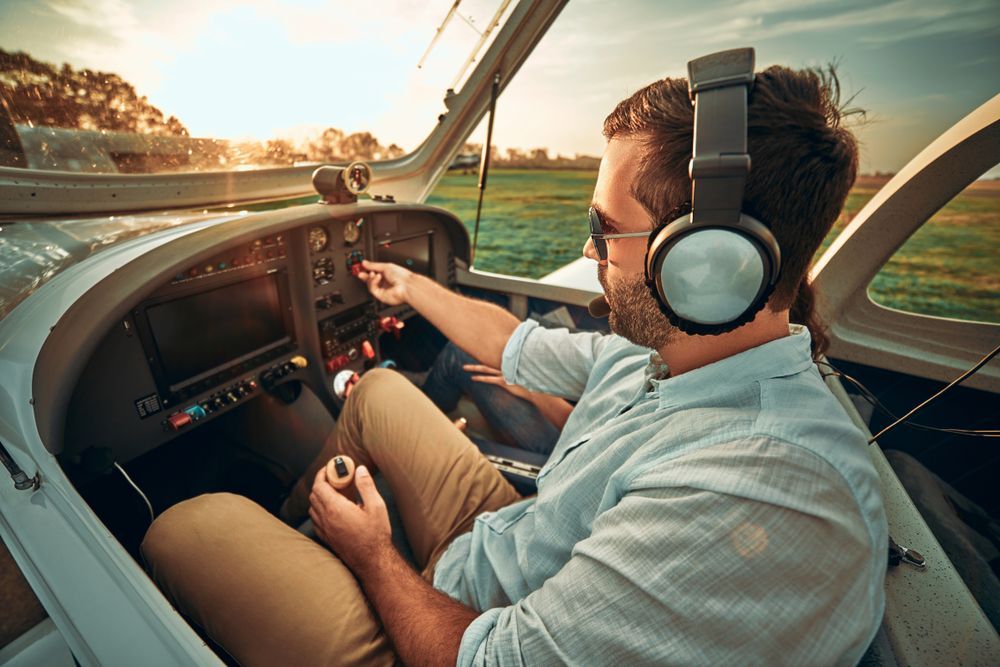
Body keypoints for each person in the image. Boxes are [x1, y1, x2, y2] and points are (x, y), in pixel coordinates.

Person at [141, 57, 887, 666]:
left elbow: (487, 660)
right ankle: (302, 543)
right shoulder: (674, 349)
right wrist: (409, 285)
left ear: (705, 264)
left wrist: (370, 555)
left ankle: (315, 558)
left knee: (188, 527)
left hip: (468, 636)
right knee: (374, 392)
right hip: (514, 541)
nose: (590, 252)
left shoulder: (763, 489)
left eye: (606, 229)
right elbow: (513, 344)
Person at [406, 340, 568, 455]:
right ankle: (421, 379)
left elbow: (577, 422)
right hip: (574, 436)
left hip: (564, 451)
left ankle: (409, 414)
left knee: (458, 355)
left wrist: (533, 390)